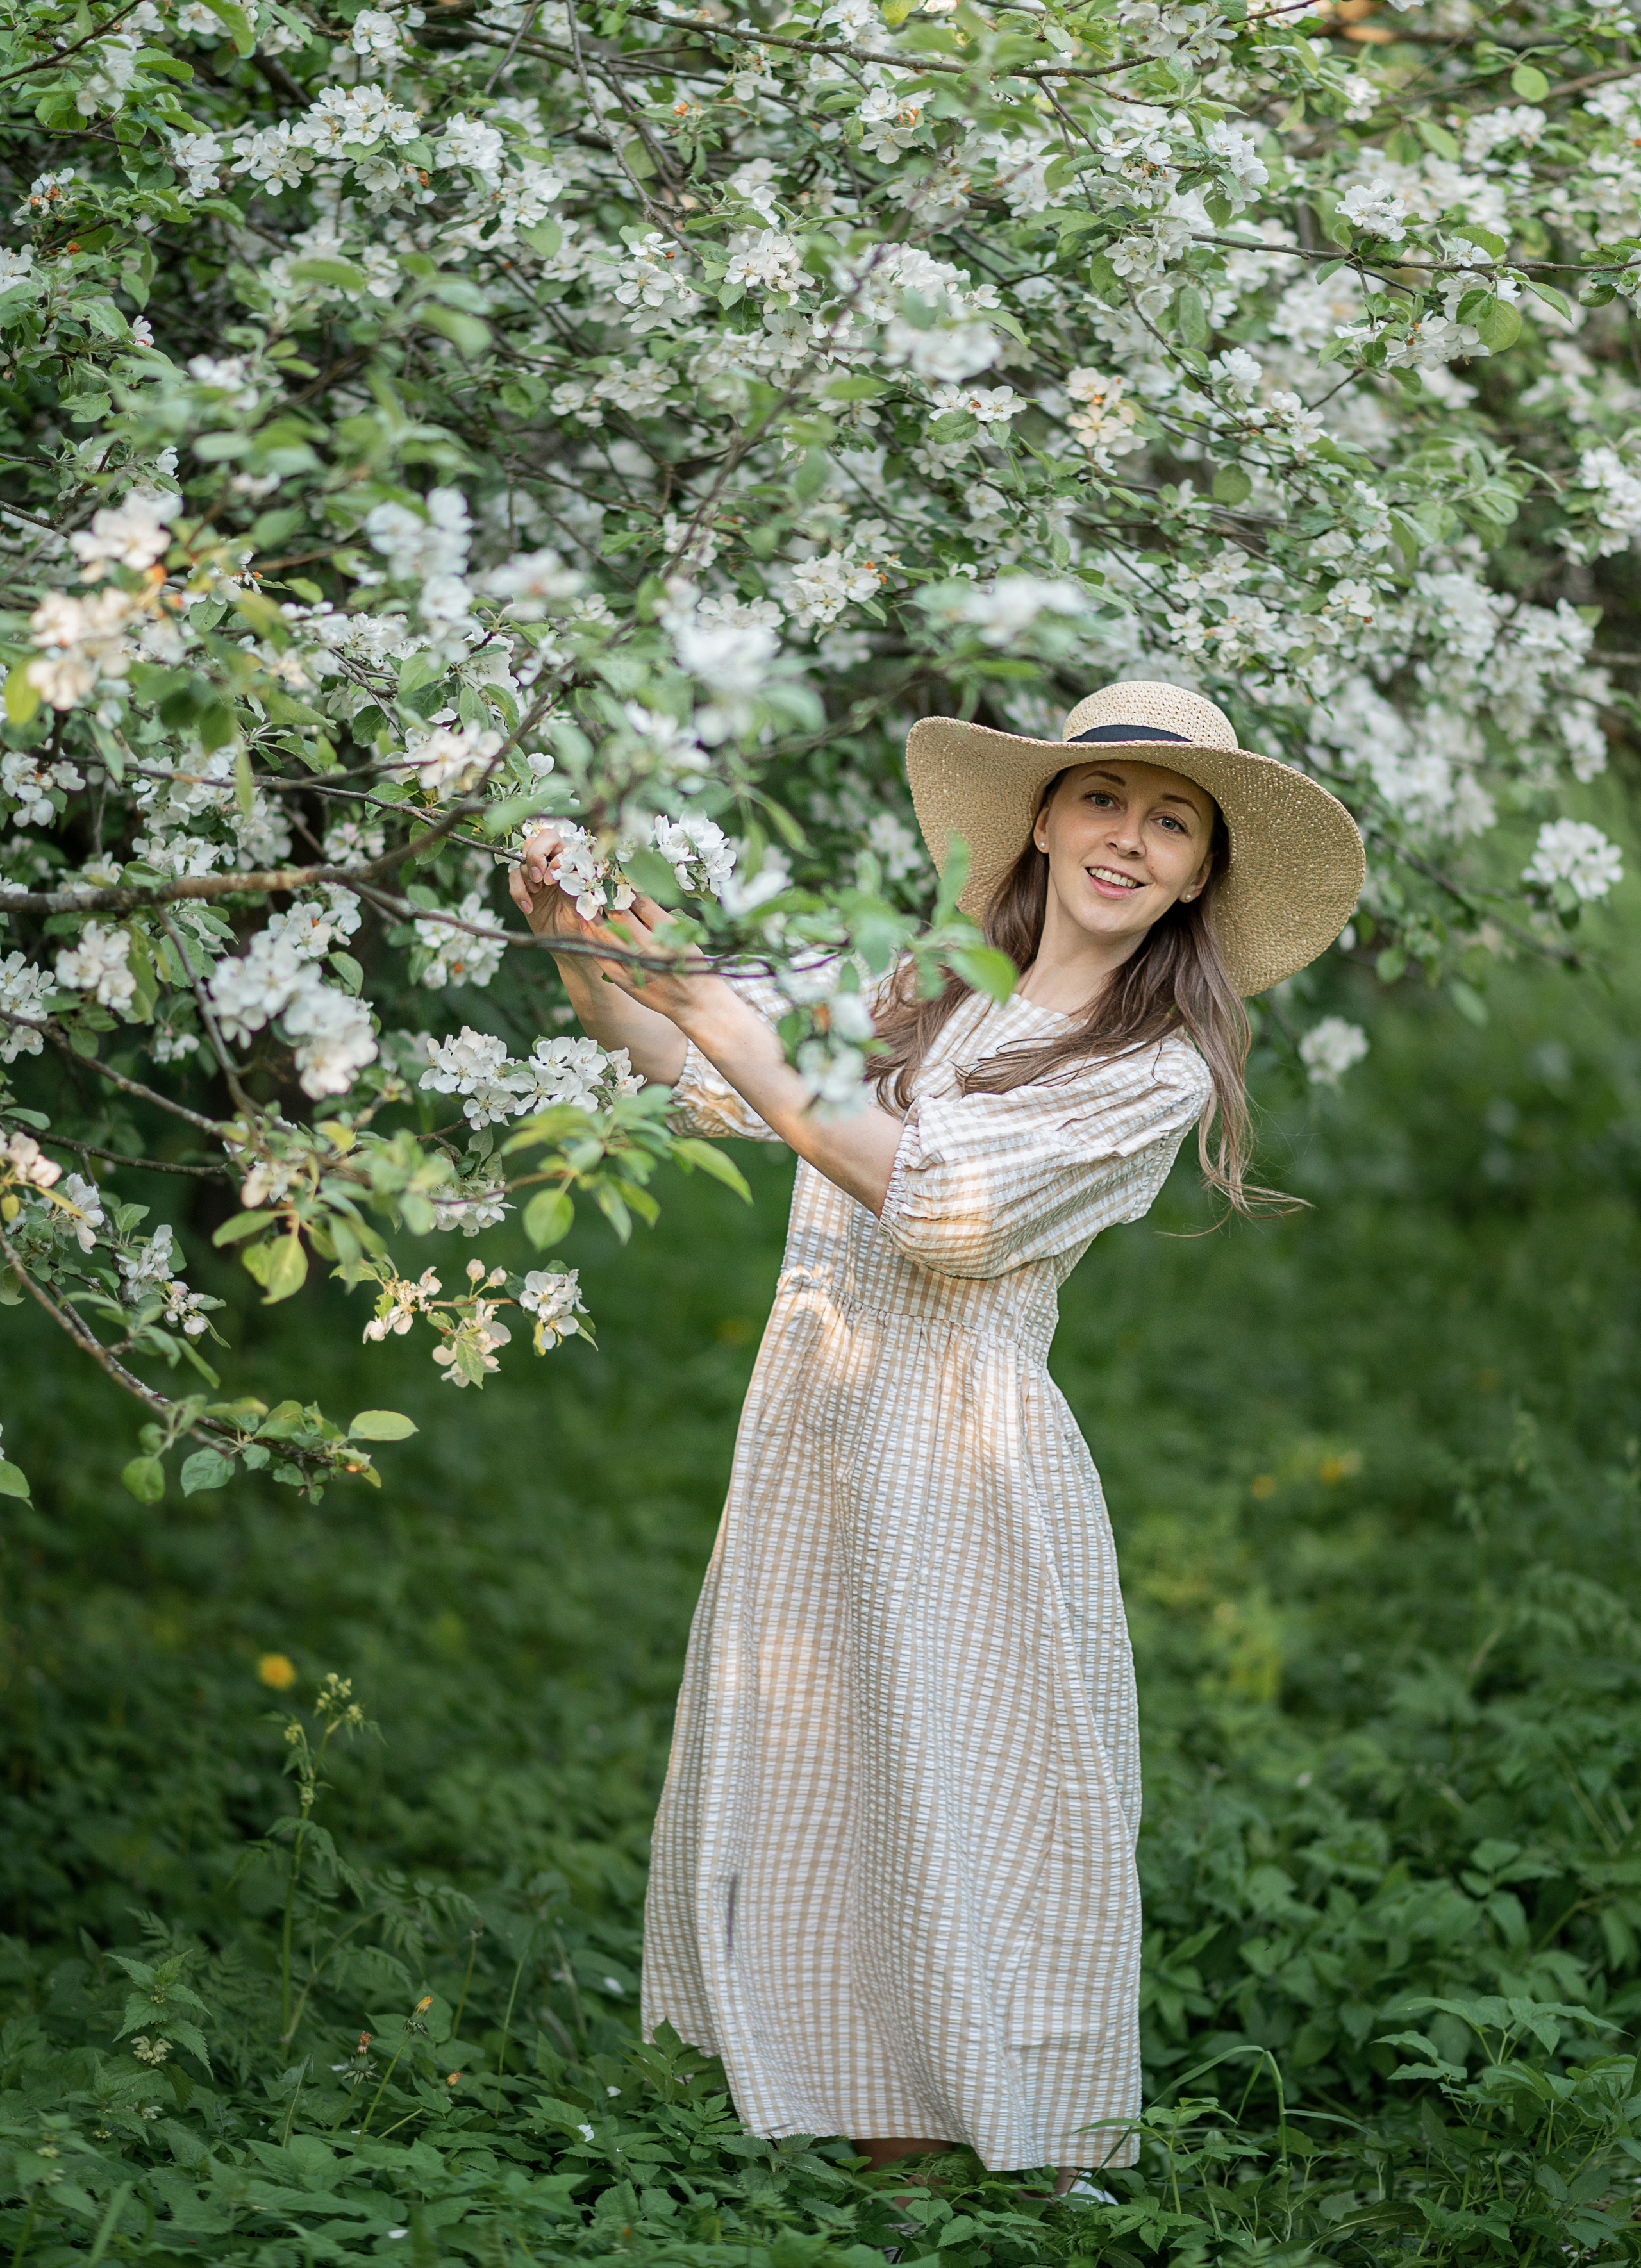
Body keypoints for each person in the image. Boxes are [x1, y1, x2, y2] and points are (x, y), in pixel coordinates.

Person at [508, 680, 1363, 2185]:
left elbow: (944, 1214)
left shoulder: (1150, 1066)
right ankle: (883, 2151)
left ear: (1195, 876)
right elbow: (698, 1075)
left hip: (961, 1459)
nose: (1128, 839)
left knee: (964, 1793)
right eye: (1104, 800)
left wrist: (706, 992)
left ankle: (1018, 2156)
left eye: (1172, 824)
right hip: (817, 1430)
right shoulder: (932, 980)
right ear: (1041, 815)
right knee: (827, 1773)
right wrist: (590, 945)